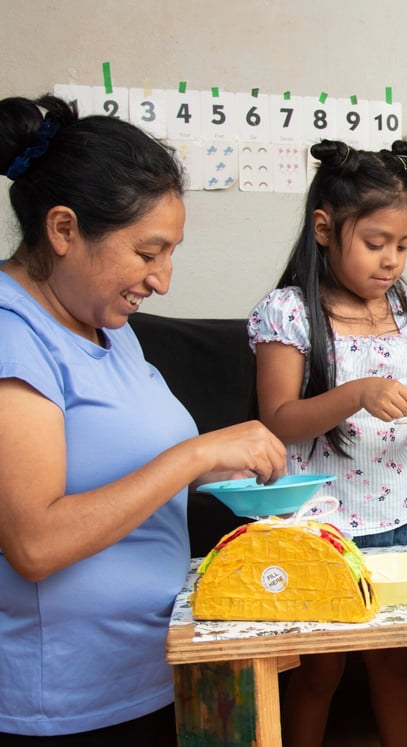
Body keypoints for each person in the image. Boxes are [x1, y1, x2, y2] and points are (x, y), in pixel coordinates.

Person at [0, 94, 288, 744]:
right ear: (65, 229)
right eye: (148, 252)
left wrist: (222, 472)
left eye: (171, 253)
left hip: (153, 670)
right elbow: (34, 543)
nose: (162, 279)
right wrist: (193, 456)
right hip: (70, 701)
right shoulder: (13, 334)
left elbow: (126, 470)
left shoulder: (105, 324)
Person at [248, 138, 407, 747]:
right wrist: (357, 392)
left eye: (403, 245)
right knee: (321, 666)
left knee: (394, 660)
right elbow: (278, 421)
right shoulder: (289, 312)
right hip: (322, 519)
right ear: (324, 228)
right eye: (374, 243)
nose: (391, 260)